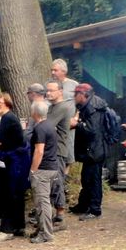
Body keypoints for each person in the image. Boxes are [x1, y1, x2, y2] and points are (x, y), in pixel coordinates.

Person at [0, 93, 29, 242]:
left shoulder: (7, 118)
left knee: (10, 194)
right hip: (18, 160)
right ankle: (19, 226)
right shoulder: (8, 117)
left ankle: (7, 230)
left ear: (7, 104)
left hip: (16, 161)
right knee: (16, 194)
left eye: (0, 102)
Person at [71, 83, 109, 220]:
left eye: (76, 94)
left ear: (83, 95)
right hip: (92, 150)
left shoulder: (93, 107)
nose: (74, 97)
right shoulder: (90, 105)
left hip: (95, 151)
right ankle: (83, 205)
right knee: (86, 179)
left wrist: (77, 124)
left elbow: (92, 130)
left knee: (93, 180)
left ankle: (94, 209)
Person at [28, 100, 59, 244]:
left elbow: (39, 151)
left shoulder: (40, 128)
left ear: (34, 112)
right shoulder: (50, 126)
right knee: (44, 201)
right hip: (52, 167)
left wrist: (33, 170)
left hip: (43, 169)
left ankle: (46, 233)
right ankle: (41, 229)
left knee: (42, 203)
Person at [46, 80, 76, 225]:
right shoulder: (51, 107)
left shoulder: (62, 107)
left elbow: (47, 125)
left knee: (57, 181)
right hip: (50, 149)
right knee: (52, 182)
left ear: (60, 91)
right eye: (48, 90)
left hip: (58, 149)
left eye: (52, 90)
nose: (48, 93)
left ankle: (60, 214)